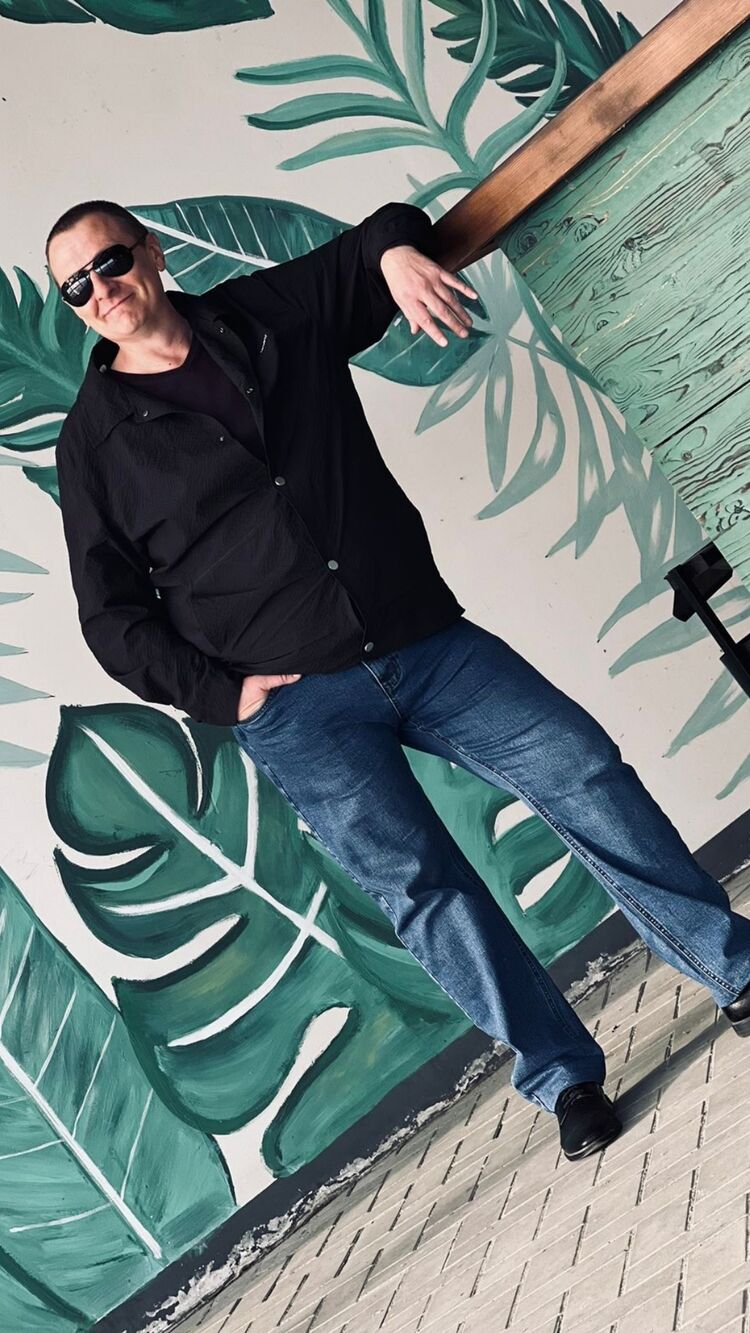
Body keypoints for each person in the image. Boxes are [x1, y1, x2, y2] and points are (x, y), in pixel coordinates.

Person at [47, 198, 750, 1163]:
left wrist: (397, 260)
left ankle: (732, 968)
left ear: (152, 253)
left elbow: (380, 229)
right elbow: (109, 614)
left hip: (420, 638)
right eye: (76, 287)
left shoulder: (267, 312)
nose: (100, 290)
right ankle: (564, 1080)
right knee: (426, 891)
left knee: (581, 767)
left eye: (110, 261)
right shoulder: (95, 442)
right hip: (299, 711)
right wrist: (222, 694)